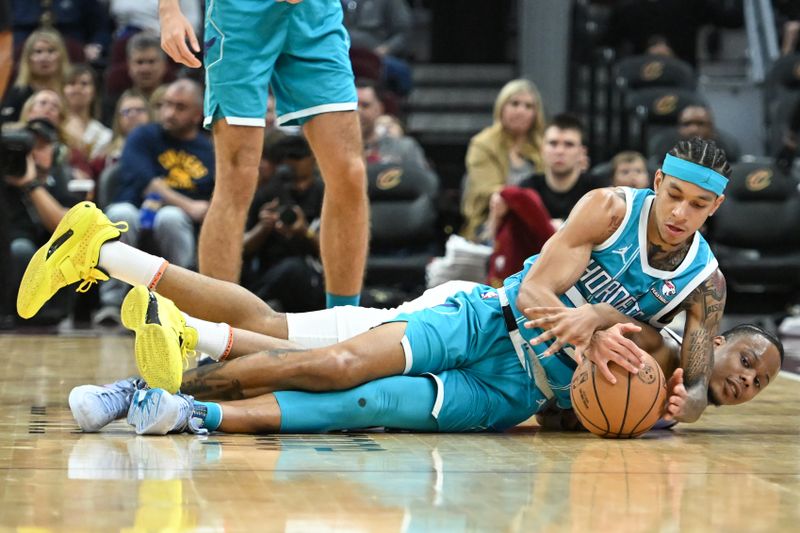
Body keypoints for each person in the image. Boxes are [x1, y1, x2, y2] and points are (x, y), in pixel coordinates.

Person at [19, 137, 731, 432]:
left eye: (698, 207)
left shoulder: (704, 285)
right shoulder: (611, 207)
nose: (679, 215)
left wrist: (678, 401)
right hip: (483, 318)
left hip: (520, 389)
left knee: (336, 381)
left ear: (715, 209)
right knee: (312, 346)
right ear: (658, 183)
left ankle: (165, 377)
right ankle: (159, 331)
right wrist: (600, 316)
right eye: (673, 196)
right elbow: (537, 290)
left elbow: (694, 391)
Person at [158, 0, 368, 310]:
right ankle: (218, 331)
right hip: (240, 15)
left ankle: (344, 320)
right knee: (237, 179)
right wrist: (169, 11)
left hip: (314, 13)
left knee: (350, 173)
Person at [96, 78, 213, 325]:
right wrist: (189, 206)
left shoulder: (208, 150)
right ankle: (111, 303)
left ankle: (179, 303)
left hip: (177, 222)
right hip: (136, 210)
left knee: (170, 218)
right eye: (166, 104)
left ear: (197, 113)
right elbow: (150, 183)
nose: (169, 113)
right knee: (120, 214)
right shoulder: (143, 135)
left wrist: (200, 208)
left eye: (180, 107)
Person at [461, 79, 545, 243]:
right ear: (501, 108)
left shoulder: (543, 145)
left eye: (528, 106)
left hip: (535, 222)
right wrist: (524, 200)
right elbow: (486, 190)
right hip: (491, 222)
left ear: (536, 114)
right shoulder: (483, 144)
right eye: (514, 104)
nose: (521, 111)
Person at [0, 29, 71, 124]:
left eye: (51, 51)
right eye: (38, 52)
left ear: (61, 56)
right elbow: (6, 126)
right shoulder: (18, 92)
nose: (44, 58)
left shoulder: (71, 89)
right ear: (28, 58)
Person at [63, 64, 112, 162]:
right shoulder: (55, 127)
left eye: (84, 84)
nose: (78, 88)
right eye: (72, 83)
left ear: (93, 91)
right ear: (63, 90)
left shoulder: (104, 134)